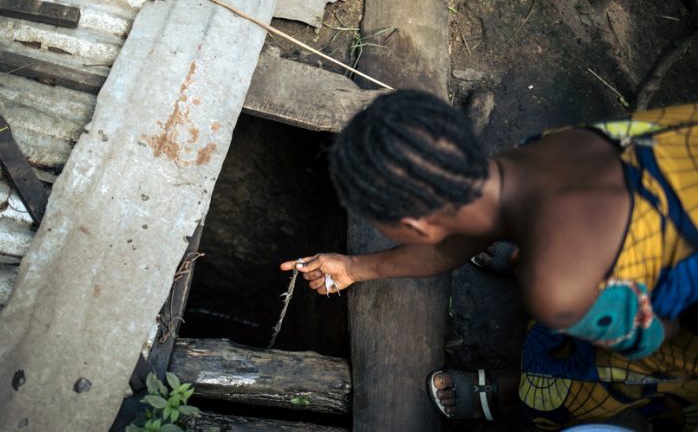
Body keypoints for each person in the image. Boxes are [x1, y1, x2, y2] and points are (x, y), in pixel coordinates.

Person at [280, 90, 698, 430]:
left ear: (413, 225)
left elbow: (658, 333)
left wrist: (620, 309)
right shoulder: (541, 152)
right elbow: (449, 243)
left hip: (657, 304)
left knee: (571, 375)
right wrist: (354, 268)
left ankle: (523, 394)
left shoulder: (554, 288)